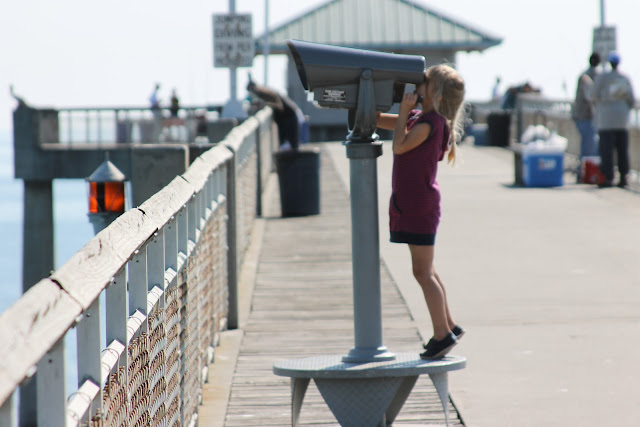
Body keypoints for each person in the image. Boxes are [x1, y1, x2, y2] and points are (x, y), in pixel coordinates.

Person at [376, 65, 465, 359]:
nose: (418, 83)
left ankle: (442, 335)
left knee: (422, 272)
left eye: (424, 81)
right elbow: (392, 124)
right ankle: (449, 325)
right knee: (428, 270)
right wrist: (369, 115)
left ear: (436, 94)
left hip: (418, 205)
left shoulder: (429, 124)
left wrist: (403, 108)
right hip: (419, 203)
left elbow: (399, 146)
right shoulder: (423, 119)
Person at [592, 52, 635, 188]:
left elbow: (593, 96)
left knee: (606, 151)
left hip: (605, 121)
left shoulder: (602, 77)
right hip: (622, 121)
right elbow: (631, 100)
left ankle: (608, 178)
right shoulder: (624, 78)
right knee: (622, 150)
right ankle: (623, 177)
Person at [247, 77, 304, 150]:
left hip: (289, 117)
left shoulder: (263, 93)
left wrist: (264, 104)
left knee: (293, 145)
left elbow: (279, 106)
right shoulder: (264, 92)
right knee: (285, 143)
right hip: (285, 118)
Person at [572, 53, 601, 180]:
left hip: (580, 116)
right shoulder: (589, 77)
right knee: (589, 149)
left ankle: (583, 174)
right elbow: (590, 97)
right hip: (586, 117)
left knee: (588, 147)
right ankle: (583, 175)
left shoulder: (583, 75)